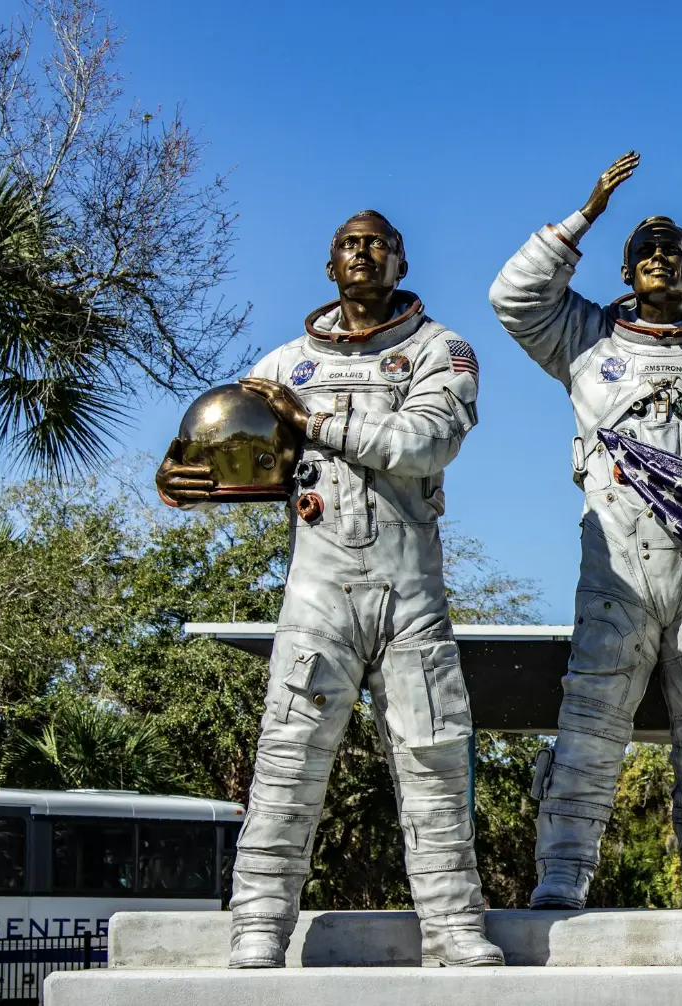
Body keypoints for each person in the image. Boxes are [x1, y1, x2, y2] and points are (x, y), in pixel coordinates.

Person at [156, 211, 501, 968]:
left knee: (435, 759)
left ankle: (452, 927)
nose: (363, 254)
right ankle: (258, 926)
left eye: (378, 243)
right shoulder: (282, 363)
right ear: (329, 265)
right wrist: (185, 478)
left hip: (410, 593)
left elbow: (426, 444)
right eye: (349, 244)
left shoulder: (440, 351)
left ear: (401, 260)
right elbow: (244, 457)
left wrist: (312, 418)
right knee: (287, 756)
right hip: (318, 591)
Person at [488, 152, 682, 910]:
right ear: (625, 271)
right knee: (591, 723)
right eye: (645, 250)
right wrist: (586, 213)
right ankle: (564, 870)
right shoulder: (586, 338)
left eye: (673, 247)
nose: (660, 257)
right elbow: (512, 297)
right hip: (617, 565)